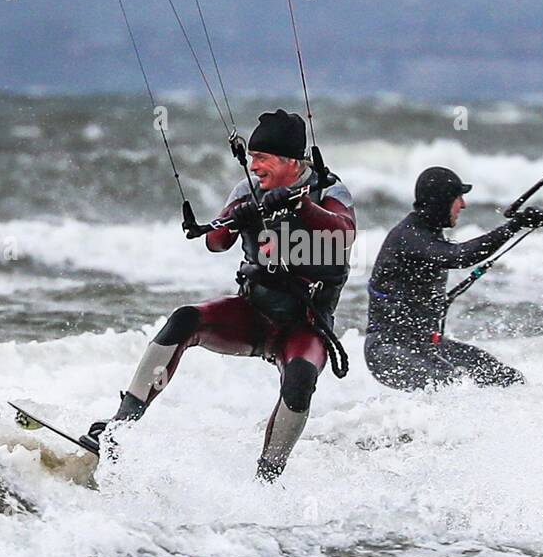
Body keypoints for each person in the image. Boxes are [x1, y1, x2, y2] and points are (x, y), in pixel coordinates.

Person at [82, 109, 356, 482]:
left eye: (263, 159)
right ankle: (118, 429)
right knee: (184, 319)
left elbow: (344, 235)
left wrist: (299, 205)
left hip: (305, 326)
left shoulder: (330, 190)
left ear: (291, 161)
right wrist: (238, 215)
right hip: (254, 313)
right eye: (252, 157)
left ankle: (268, 478)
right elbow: (215, 242)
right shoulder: (248, 189)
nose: (253, 165)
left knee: (300, 377)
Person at [364, 166, 543, 391]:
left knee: (505, 379)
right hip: (388, 351)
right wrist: (514, 225)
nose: (463, 204)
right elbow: (460, 256)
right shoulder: (409, 236)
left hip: (424, 346)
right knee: (453, 388)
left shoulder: (429, 234)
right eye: (458, 197)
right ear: (441, 201)